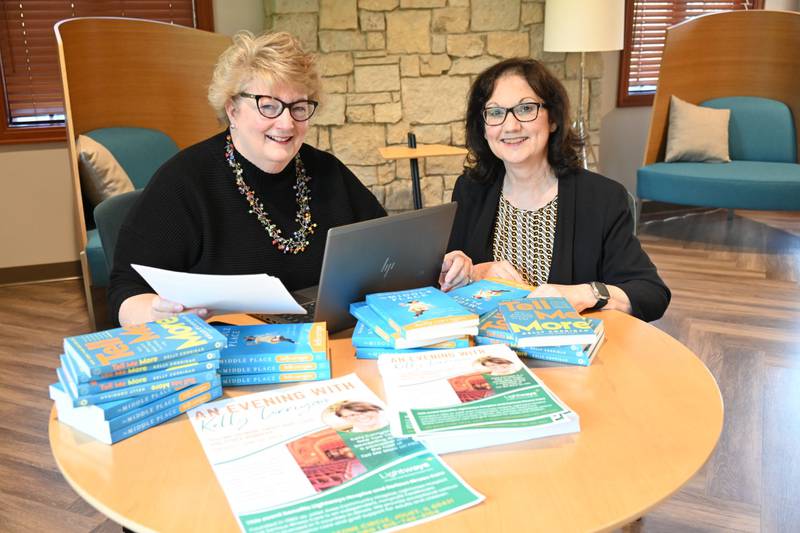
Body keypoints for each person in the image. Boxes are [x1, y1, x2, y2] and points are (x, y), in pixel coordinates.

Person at [109, 31, 386, 326]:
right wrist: (156, 311)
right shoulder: (184, 182)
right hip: (227, 353)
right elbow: (126, 290)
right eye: (268, 105)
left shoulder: (327, 171)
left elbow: (388, 250)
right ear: (233, 110)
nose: (286, 123)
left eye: (299, 108)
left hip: (327, 344)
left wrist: (440, 262)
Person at [442, 58, 670, 322]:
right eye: (495, 112)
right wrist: (473, 272)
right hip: (488, 351)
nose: (511, 126)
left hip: (570, 356)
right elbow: (444, 278)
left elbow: (651, 293)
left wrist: (585, 293)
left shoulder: (602, 199)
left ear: (553, 119)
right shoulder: (470, 190)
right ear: (482, 127)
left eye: (526, 109)